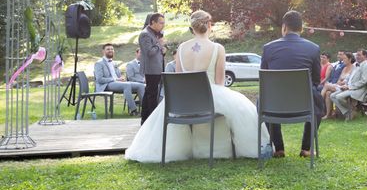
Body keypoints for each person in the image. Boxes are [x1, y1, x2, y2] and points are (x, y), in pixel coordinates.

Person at [125, 11, 269, 162]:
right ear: (209, 25)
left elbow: (179, 80)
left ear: (192, 27)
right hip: (209, 98)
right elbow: (220, 82)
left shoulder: (181, 48)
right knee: (242, 108)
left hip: (181, 103)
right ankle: (222, 147)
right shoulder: (217, 48)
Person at [261, 10, 325, 158]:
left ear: (284, 27)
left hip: (273, 106)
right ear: (301, 29)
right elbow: (316, 79)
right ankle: (306, 148)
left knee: (265, 98)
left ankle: (279, 148)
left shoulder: (268, 48)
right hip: (304, 105)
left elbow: (265, 79)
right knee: (317, 98)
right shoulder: (313, 48)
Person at [94, 44, 145, 116]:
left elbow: (118, 75)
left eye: (112, 49)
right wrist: (115, 79)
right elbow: (99, 79)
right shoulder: (99, 63)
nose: (110, 50)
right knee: (127, 85)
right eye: (108, 49)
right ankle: (134, 110)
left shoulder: (114, 63)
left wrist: (121, 78)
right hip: (106, 85)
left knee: (141, 85)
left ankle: (145, 109)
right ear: (103, 51)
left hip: (117, 83)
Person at [330, 49, 367, 120]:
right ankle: (349, 111)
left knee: (339, 97)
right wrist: (345, 84)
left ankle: (350, 112)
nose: (357, 57)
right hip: (350, 87)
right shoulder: (356, 65)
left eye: (359, 55)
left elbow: (363, 81)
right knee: (332, 96)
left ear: (365, 56)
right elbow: (350, 77)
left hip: (360, 90)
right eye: (356, 55)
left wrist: (349, 87)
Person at [138, 13, 166, 123]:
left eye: (164, 23)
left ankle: (145, 119)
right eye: (161, 23)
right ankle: (151, 120)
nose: (163, 25)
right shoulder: (145, 34)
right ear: (153, 22)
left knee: (149, 93)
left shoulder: (154, 34)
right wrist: (159, 44)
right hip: (151, 69)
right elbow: (149, 52)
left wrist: (163, 51)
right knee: (152, 95)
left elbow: (157, 51)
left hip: (157, 68)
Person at [321, 52, 355, 119]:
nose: (343, 60)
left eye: (345, 58)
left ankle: (319, 105)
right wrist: (339, 82)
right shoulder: (344, 68)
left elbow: (351, 80)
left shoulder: (354, 68)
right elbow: (339, 79)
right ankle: (328, 114)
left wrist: (343, 83)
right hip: (339, 86)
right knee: (328, 93)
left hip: (346, 87)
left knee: (326, 86)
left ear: (350, 59)